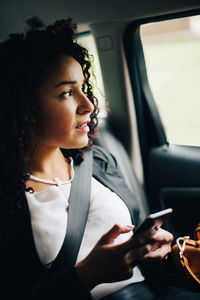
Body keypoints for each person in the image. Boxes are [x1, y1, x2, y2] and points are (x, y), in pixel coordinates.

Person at [0, 19, 199, 300]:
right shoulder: (7, 196)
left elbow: (140, 249)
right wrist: (86, 276)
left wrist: (156, 253)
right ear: (24, 107)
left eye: (83, 87)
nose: (89, 104)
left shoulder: (99, 161)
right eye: (67, 93)